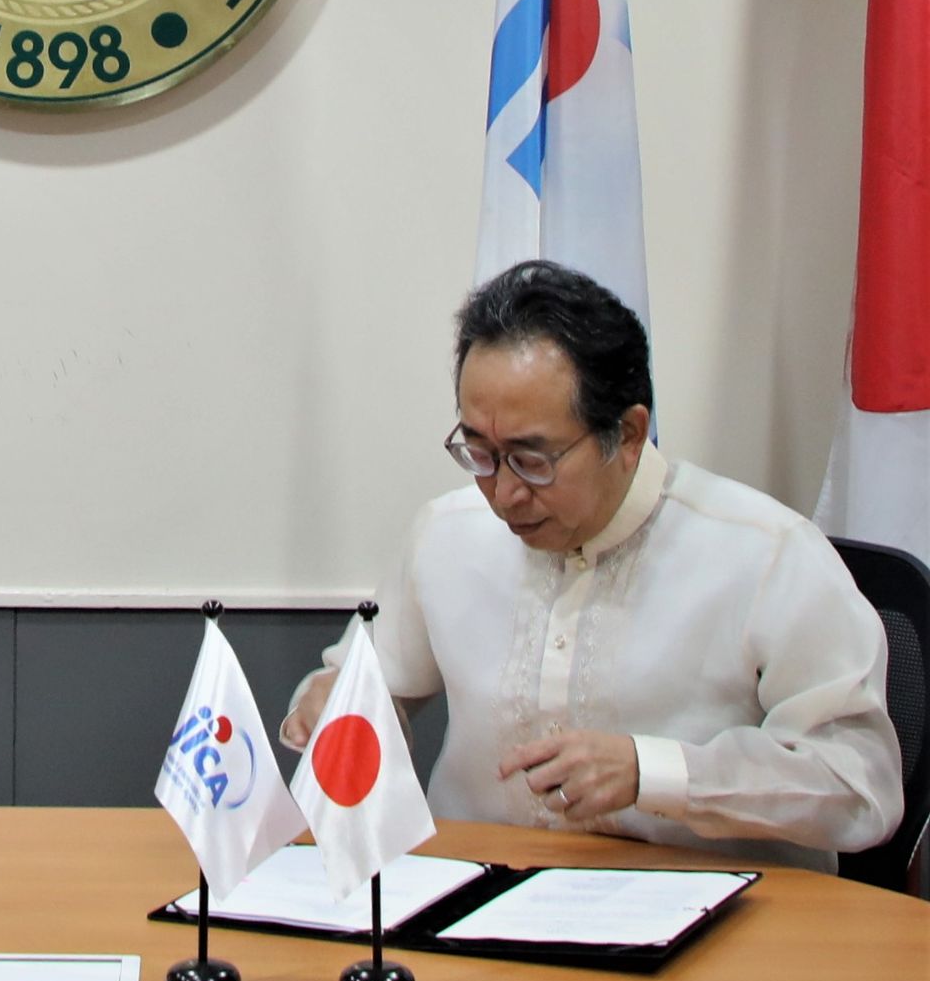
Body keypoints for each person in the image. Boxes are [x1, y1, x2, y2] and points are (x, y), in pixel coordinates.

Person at [282, 260, 903, 871]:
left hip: (709, 905)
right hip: (475, 891)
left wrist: (654, 773)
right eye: (478, 453)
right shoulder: (445, 536)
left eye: (532, 460)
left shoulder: (765, 553)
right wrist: (335, 705)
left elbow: (861, 786)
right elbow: (367, 687)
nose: (504, 493)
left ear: (628, 435)